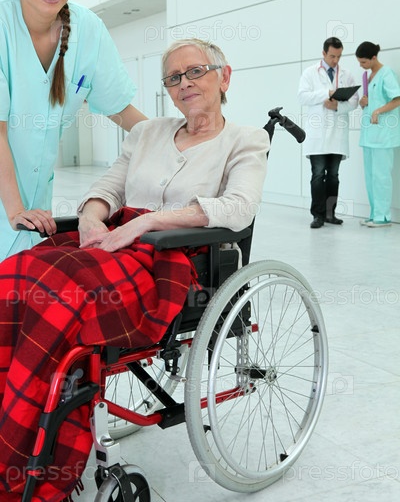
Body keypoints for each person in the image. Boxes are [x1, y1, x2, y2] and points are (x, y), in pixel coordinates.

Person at [0, 38, 270, 501]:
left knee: (62, 297)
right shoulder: (147, 133)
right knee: (16, 273)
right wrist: (90, 218)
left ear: (224, 78)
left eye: (196, 71)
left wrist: (147, 222)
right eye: (173, 77)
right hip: (112, 242)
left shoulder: (245, 139)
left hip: (172, 262)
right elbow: (109, 187)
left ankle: (30, 443)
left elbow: (239, 208)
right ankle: (16, 408)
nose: (184, 83)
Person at [0, 0, 147, 262]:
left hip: (33, 207)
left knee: (20, 287)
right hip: (15, 203)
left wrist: (177, 138)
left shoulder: (87, 29)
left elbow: (119, 108)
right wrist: (15, 209)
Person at [298, 36, 359, 228]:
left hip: (337, 134)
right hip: (317, 135)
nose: (335, 60)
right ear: (324, 53)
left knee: (333, 176)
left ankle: (330, 214)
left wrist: (336, 107)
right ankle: (318, 215)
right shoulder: (310, 73)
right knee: (318, 175)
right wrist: (327, 93)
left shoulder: (347, 75)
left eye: (339, 56)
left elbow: (354, 101)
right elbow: (302, 97)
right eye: (332, 56)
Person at [355, 41, 400, 227]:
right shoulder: (368, 76)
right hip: (369, 136)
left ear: (374, 58)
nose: (361, 65)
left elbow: (397, 99)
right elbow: (371, 101)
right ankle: (374, 214)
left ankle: (383, 217)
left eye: (364, 62)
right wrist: (363, 103)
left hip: (383, 136)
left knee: (381, 177)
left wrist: (378, 111)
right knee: (371, 177)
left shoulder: (386, 73)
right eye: (359, 62)